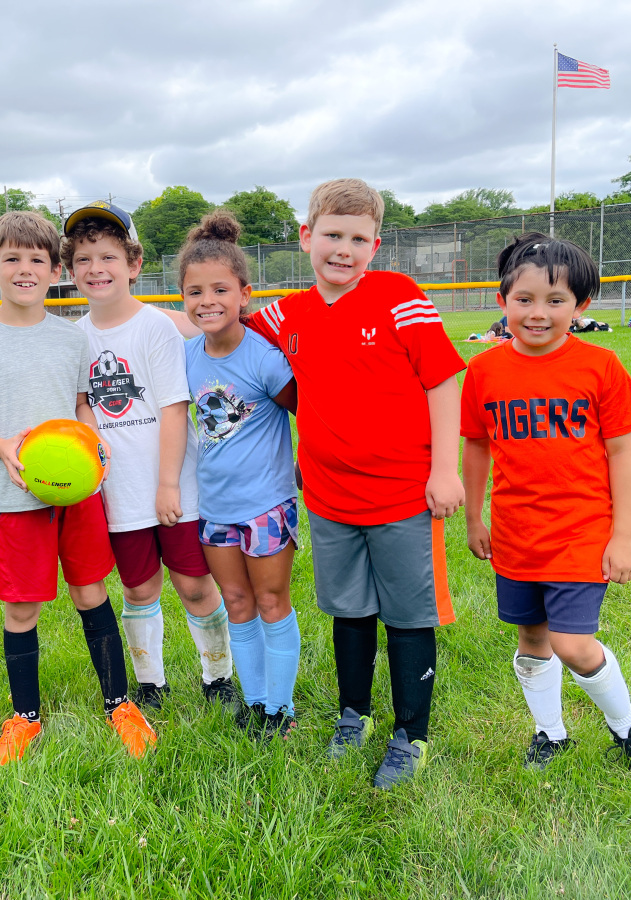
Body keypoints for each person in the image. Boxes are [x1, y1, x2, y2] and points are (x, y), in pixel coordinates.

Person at [244, 179, 465, 788]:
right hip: (328, 495)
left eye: (359, 239)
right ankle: (354, 715)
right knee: (348, 609)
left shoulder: (398, 296)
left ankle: (411, 733)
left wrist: (444, 470)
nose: (344, 249)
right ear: (306, 236)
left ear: (376, 245)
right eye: (333, 235)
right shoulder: (286, 313)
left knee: (407, 615)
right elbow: (222, 331)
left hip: (401, 492)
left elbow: (443, 382)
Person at [0, 210, 156, 765]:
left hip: (77, 492)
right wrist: (1, 446)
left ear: (55, 269)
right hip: (17, 499)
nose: (25, 269)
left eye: (36, 259)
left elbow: (81, 404)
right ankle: (25, 717)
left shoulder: (70, 337)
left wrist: (91, 440)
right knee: (22, 608)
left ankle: (119, 704)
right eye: (12, 259)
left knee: (91, 592)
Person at [460, 233, 631, 776]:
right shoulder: (484, 372)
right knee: (532, 640)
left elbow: (623, 452)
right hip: (514, 531)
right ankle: (550, 734)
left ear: (581, 308)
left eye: (556, 301)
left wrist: (623, 535)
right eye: (524, 299)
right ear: (502, 299)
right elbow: (477, 445)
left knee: (572, 643)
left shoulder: (599, 366)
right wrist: (475, 515)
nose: (537, 313)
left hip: (581, 531)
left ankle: (629, 728)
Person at [61, 201, 238, 715]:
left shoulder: (155, 328)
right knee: (138, 588)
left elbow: (174, 408)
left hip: (172, 487)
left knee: (195, 585)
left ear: (134, 264)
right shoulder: (75, 339)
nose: (97, 268)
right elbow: (81, 406)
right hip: (116, 491)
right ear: (71, 271)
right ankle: (150, 684)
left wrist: (168, 486)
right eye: (85, 259)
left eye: (109, 256)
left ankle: (217, 677)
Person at [177, 211, 302, 740]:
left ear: (244, 294)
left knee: (271, 602)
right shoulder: (184, 357)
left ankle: (281, 707)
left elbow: (308, 414)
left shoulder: (265, 359)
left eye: (220, 290)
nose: (207, 301)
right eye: (194, 291)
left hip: (268, 505)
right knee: (237, 603)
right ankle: (254, 703)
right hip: (217, 510)